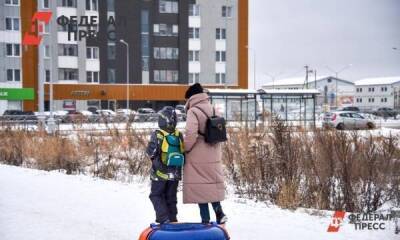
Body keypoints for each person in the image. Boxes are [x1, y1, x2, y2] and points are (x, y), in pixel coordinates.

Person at [183, 83, 228, 225]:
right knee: (210, 184)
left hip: (198, 154)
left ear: (191, 97)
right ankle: (219, 212)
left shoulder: (193, 111)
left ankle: (205, 221)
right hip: (214, 152)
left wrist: (185, 148)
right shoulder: (213, 108)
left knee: (200, 187)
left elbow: (191, 134)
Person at [146, 106, 184, 224]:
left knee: (156, 195)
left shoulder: (157, 134)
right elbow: (183, 152)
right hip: (175, 173)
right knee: (171, 197)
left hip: (160, 173)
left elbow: (150, 152)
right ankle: (173, 220)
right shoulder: (179, 134)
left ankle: (163, 219)